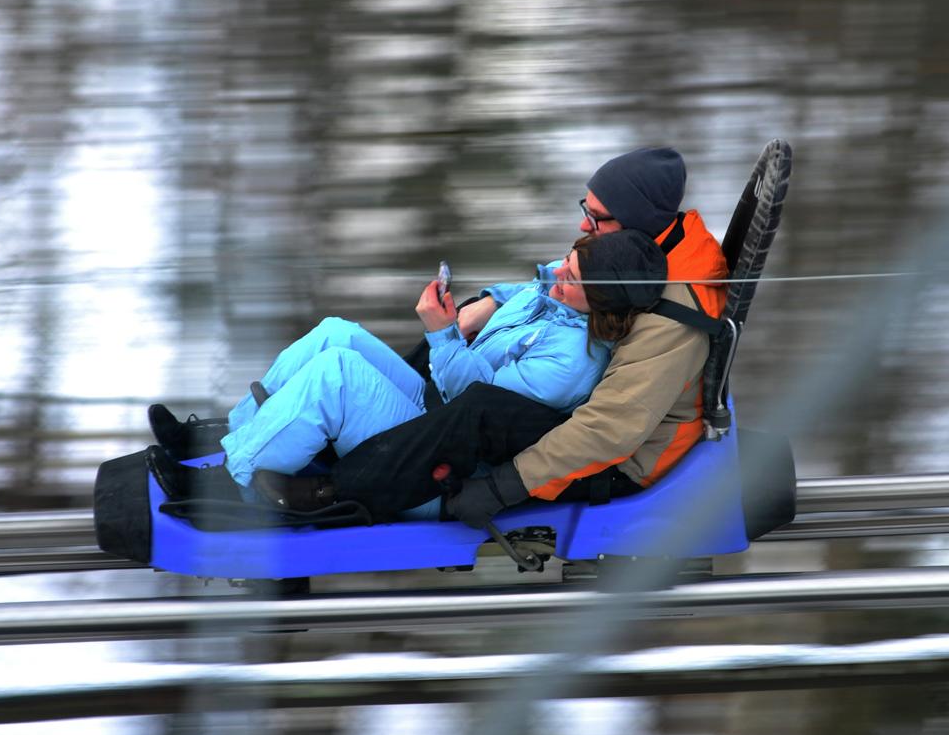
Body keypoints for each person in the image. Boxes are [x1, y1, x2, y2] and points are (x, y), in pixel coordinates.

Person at [256, 146, 731, 528]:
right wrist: (491, 302)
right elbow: (560, 283)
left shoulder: (673, 318)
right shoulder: (650, 248)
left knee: (479, 407)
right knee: (426, 335)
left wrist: (502, 487)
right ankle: (287, 424)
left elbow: (608, 430)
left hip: (615, 464)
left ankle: (339, 493)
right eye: (586, 209)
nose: (585, 224)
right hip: (586, 419)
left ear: (634, 223)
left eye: (598, 216)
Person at [145, 228, 668, 508]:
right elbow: (532, 288)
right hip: (434, 399)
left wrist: (442, 331)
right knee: (336, 333)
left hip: (440, 440)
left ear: (601, 304)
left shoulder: (571, 364)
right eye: (568, 261)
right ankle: (229, 435)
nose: (557, 275)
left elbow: (477, 408)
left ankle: (229, 485)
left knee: (338, 377)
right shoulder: (557, 295)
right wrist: (485, 302)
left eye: (571, 278)